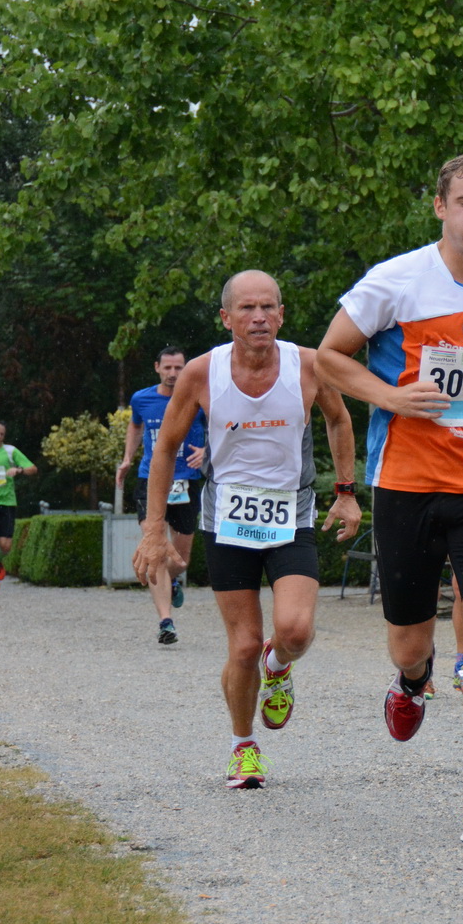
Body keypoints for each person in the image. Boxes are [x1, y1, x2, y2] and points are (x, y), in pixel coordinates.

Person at [314, 153, 463, 845]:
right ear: (440, 207)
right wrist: (392, 396)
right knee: (409, 640)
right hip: (407, 482)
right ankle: (412, 680)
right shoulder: (397, 280)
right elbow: (329, 356)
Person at [135, 271, 361, 790]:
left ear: (281, 314)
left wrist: (346, 491)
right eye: (246, 309)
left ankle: (277, 667)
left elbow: (339, 419)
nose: (258, 317)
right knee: (242, 647)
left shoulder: (309, 364)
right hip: (227, 522)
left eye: (268, 307)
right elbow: (165, 448)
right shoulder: (201, 372)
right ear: (226, 318)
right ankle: (243, 747)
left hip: (291, 517)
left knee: (295, 631)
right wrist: (153, 529)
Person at [118, 346, 208, 643]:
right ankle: (165, 622)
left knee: (180, 560)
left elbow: (223, 427)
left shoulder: (198, 396)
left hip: (186, 481)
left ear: (186, 368)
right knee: (155, 549)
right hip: (150, 480)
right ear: (157, 367)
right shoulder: (141, 399)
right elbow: (135, 426)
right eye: (167, 367)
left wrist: (206, 450)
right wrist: (127, 458)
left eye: (178, 368)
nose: (172, 373)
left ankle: (173, 580)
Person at [0, 422, 37, 593]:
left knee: (5, 546)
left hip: (7, 503)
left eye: (2, 434)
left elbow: (33, 469)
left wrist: (19, 470)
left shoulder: (10, 451)